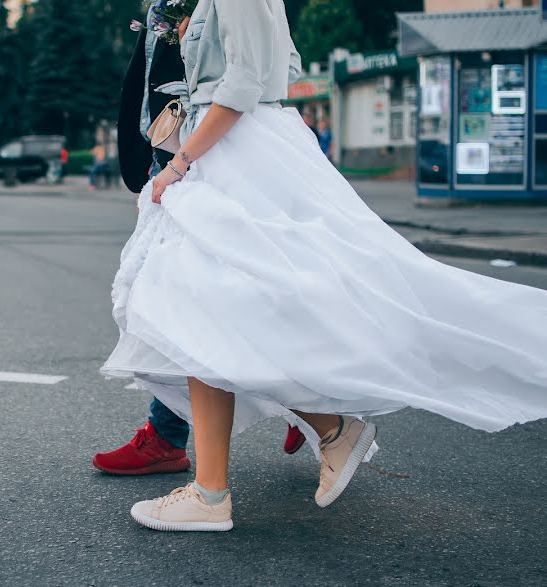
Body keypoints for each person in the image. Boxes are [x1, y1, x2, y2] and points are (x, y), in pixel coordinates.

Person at [101, 0, 547, 532]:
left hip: (236, 157)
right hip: (237, 151)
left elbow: (243, 86)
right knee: (208, 314)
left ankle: (228, 485)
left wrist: (178, 163)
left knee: (214, 309)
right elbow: (281, 66)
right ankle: (260, 466)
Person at [95, 0, 308, 476]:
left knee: (204, 296)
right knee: (189, 296)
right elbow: (146, 70)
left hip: (210, 149)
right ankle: (182, 443)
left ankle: (312, 406)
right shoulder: (167, 4)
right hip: (175, 143)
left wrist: (195, 121)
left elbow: (263, 71)